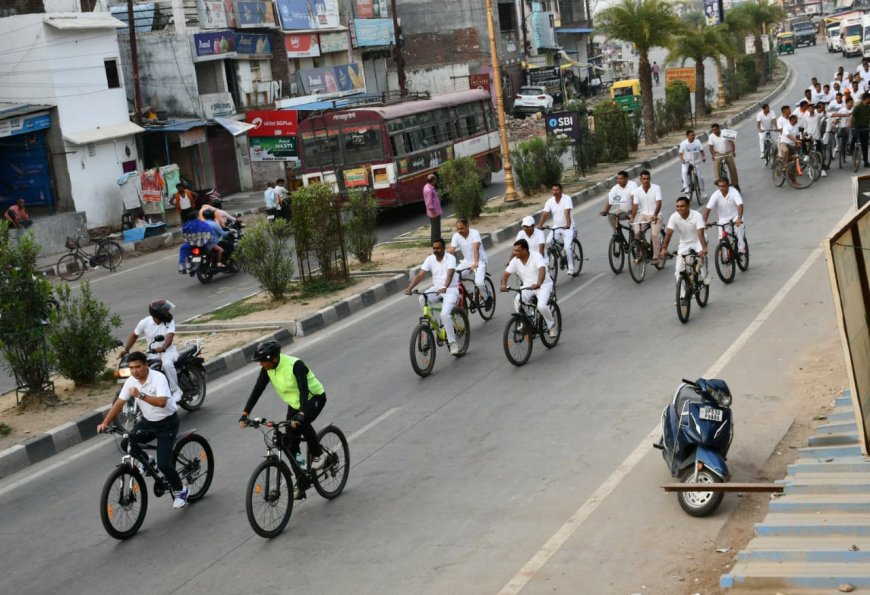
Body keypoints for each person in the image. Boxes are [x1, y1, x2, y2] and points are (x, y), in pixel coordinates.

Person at [97, 351, 189, 509]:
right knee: (127, 443)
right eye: (131, 368)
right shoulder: (131, 381)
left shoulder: (158, 378)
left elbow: (161, 402)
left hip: (167, 423)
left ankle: (181, 490)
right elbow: (119, 403)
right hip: (148, 423)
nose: (134, 371)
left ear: (146, 365)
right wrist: (105, 422)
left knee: (164, 465)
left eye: (138, 367)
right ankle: (147, 462)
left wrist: (140, 395)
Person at [239, 340, 329, 500]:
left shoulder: (295, 365)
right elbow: (257, 389)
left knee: (302, 423)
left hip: (313, 397)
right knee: (289, 442)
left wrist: (301, 413)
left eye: (262, 361)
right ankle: (302, 480)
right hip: (294, 404)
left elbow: (303, 389)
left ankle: (318, 455)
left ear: (273, 358)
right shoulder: (268, 369)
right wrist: (246, 413)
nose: (261, 365)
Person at [406, 238, 461, 355]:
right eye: (434, 248)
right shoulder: (430, 259)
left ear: (444, 248)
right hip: (436, 289)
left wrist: (445, 286)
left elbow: (450, 274)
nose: (436, 250)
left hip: (450, 289)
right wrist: (410, 288)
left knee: (445, 314)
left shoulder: (450, 258)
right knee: (422, 297)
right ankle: (433, 322)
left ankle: (452, 343)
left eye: (438, 248)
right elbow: (420, 275)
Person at [121, 300, 181, 403]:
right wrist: (126, 350)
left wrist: (163, 347)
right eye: (166, 311)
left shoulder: (169, 321)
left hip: (168, 352)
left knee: (166, 364)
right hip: (152, 353)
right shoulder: (145, 322)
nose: (168, 313)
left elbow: (169, 336)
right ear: (158, 314)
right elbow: (134, 335)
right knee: (142, 368)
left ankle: (176, 390)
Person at [500, 238, 557, 338]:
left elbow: (542, 270)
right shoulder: (515, 261)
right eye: (514, 250)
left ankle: (551, 326)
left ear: (525, 250)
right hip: (527, 286)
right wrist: (503, 284)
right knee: (518, 301)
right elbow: (505, 274)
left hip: (543, 285)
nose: (515, 253)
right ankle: (525, 323)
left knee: (541, 306)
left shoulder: (536, 256)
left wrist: (539, 283)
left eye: (517, 251)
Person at [660, 197, 710, 287]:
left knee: (701, 260)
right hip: (684, 244)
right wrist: (664, 248)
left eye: (682, 206)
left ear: (688, 206)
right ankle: (682, 297)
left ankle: (705, 276)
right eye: (677, 206)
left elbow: (700, 234)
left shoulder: (697, 215)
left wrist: (704, 248)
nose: (679, 209)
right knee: (678, 271)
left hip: (698, 241)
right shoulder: (674, 217)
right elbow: (669, 234)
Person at [448, 218, 491, 308]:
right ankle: (468, 292)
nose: (460, 231)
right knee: (454, 278)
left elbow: (476, 248)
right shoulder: (456, 236)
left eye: (462, 228)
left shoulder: (474, 233)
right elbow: (451, 250)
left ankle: (488, 298)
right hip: (466, 261)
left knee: (479, 282)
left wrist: (475, 263)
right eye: (458, 229)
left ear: (467, 226)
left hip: (479, 261)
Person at [538, 183, 577, 276]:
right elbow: (545, 214)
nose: (555, 192)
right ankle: (555, 255)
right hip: (556, 226)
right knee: (548, 242)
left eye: (557, 190)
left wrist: (568, 224)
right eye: (553, 190)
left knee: (567, 247)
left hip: (568, 227)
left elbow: (567, 212)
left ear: (561, 191)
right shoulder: (550, 201)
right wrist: (540, 225)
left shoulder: (567, 199)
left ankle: (571, 268)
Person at [703, 178, 746, 254]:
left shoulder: (734, 192)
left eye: (723, 186)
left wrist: (739, 218)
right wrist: (704, 221)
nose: (721, 188)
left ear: (728, 185)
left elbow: (740, 205)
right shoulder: (716, 195)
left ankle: (741, 249)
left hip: (735, 216)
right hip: (723, 219)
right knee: (722, 237)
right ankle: (726, 255)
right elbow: (708, 209)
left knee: (738, 230)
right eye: (720, 186)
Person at [629, 170, 663, 264]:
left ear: (650, 179)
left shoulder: (656, 188)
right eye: (644, 179)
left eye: (647, 178)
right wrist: (632, 217)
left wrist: (655, 214)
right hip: (643, 215)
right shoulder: (636, 191)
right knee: (636, 232)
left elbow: (658, 203)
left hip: (656, 215)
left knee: (654, 235)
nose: (646, 181)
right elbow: (635, 206)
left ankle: (656, 256)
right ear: (640, 179)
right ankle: (640, 252)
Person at [708, 123, 739, 189]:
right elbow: (710, 147)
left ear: (719, 128)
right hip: (718, 153)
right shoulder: (711, 136)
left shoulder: (725, 132)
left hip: (728, 152)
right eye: (713, 130)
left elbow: (732, 143)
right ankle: (719, 182)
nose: (715, 131)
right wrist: (713, 154)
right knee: (716, 167)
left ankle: (735, 184)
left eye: (716, 130)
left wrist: (733, 152)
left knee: (732, 168)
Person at [849, 92, 870, 167]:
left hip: (866, 128)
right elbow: (853, 117)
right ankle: (851, 149)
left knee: (865, 146)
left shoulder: (868, 107)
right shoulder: (858, 107)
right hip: (857, 128)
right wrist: (851, 127)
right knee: (854, 137)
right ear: (867, 98)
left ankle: (865, 162)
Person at [423, 174, 443, 244]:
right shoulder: (429, 190)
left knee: (434, 227)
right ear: (433, 180)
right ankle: (437, 241)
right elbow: (430, 204)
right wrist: (434, 213)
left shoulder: (427, 187)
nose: (436, 181)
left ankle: (433, 241)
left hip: (433, 212)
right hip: (434, 212)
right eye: (435, 180)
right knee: (436, 228)